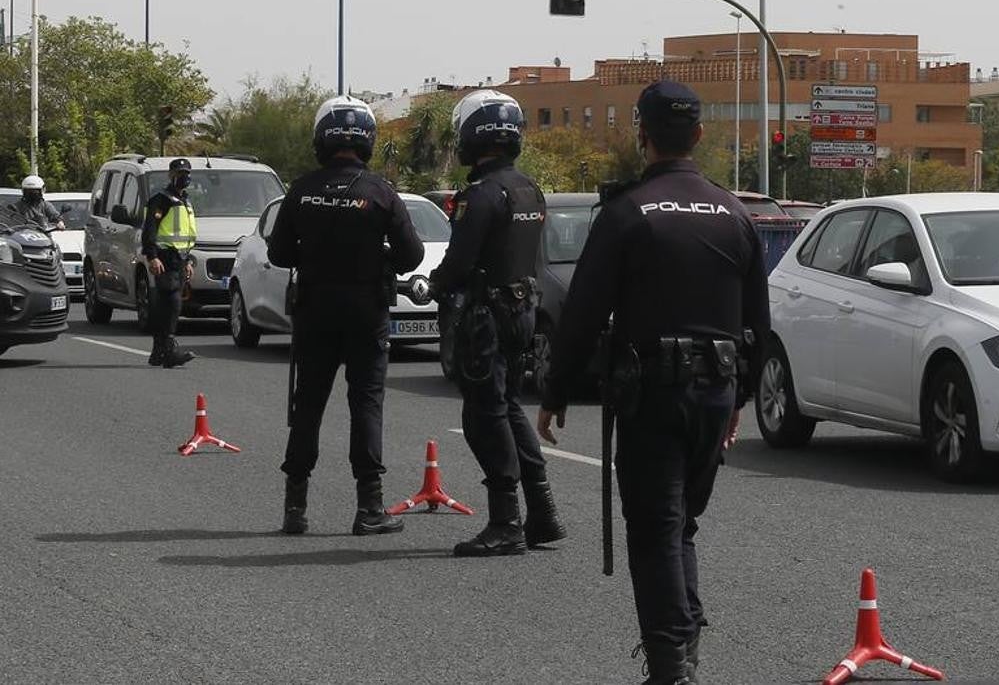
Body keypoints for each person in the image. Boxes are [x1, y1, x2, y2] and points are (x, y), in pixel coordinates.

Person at [537, 81, 769, 684]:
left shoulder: (626, 213)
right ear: (697, 135)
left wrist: (556, 391)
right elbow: (758, 324)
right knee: (679, 525)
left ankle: (671, 668)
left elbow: (583, 312)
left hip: (654, 397)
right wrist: (739, 398)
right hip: (715, 393)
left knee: (658, 529)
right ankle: (684, 650)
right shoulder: (735, 214)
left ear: (642, 135)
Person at [267, 95, 423, 536]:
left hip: (315, 311)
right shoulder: (381, 192)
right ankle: (369, 508)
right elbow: (411, 256)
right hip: (366, 311)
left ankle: (294, 509)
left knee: (309, 405)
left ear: (322, 138)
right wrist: (375, 256)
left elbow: (279, 253)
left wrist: (317, 254)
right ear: (367, 141)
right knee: (366, 405)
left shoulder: (301, 189)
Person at [430, 89, 566, 558]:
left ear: (472, 135)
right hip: (522, 310)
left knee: (484, 417)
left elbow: (461, 260)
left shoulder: (481, 195)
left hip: (487, 317)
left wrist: (435, 281)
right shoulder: (530, 188)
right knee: (509, 408)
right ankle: (543, 512)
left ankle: (506, 521)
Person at [140, 159, 197, 368]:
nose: (185, 176)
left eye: (187, 172)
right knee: (173, 303)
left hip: (180, 259)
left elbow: (186, 234)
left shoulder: (185, 200)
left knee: (165, 304)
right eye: (180, 172)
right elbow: (150, 230)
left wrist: (188, 259)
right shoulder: (161, 199)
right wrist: (152, 256)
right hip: (165, 258)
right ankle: (169, 349)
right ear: (170, 175)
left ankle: (158, 352)